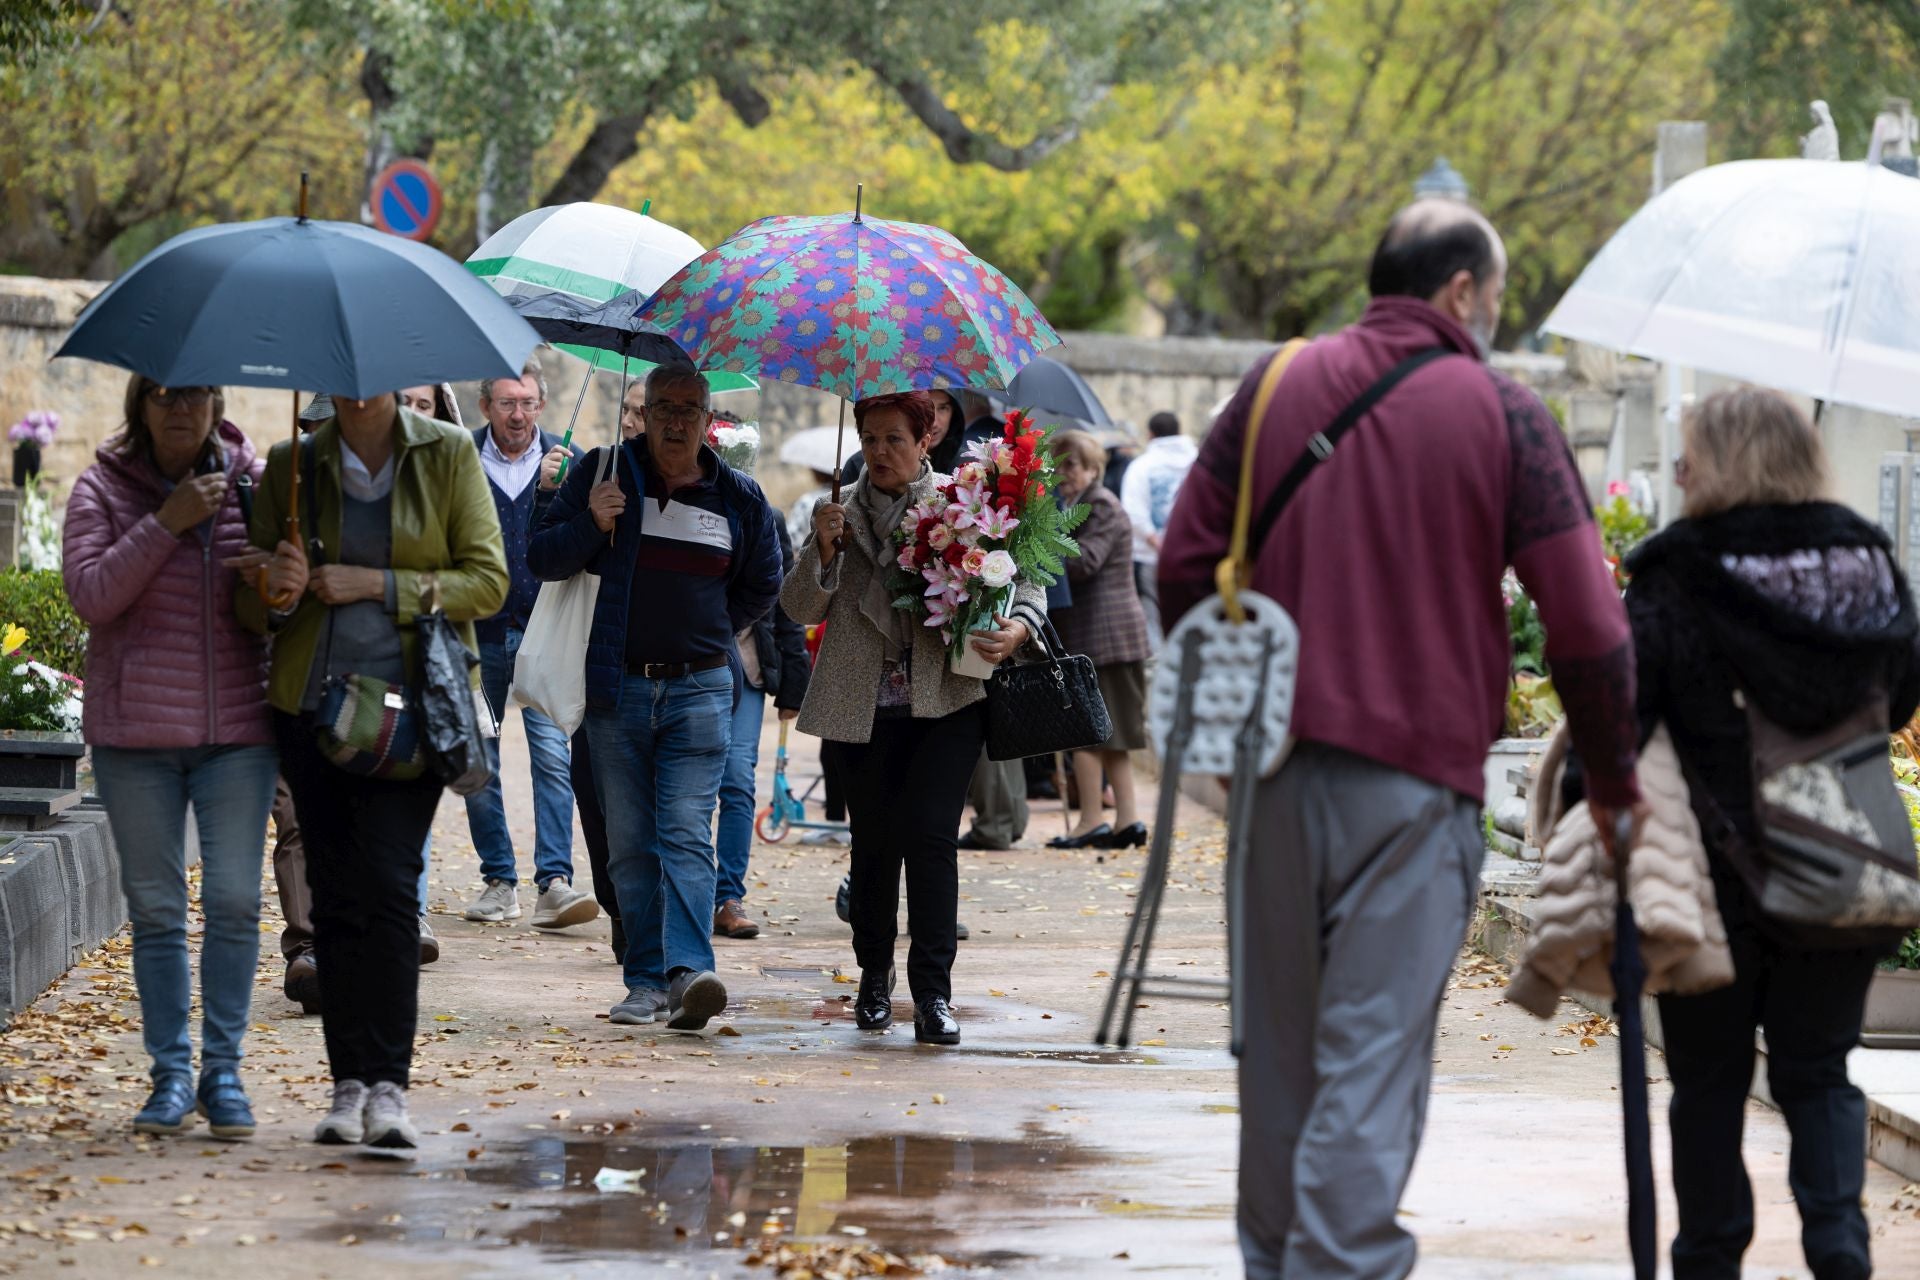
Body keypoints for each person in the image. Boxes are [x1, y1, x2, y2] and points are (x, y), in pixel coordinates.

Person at [1158, 199, 1643, 1279]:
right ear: (1462, 290)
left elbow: (1184, 566)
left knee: (1278, 1062)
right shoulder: (1504, 411)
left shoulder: (1275, 382)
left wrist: (1250, 696)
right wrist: (1611, 778)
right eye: (1495, 302)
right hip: (1416, 789)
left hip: (1274, 782)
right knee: (1369, 1065)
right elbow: (1589, 625)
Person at [1620, 388, 1919, 1280]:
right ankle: (1839, 1251)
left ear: (1723, 463)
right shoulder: (1867, 559)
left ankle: (1710, 1262)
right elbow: (1900, 694)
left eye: (1687, 457)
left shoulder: (1676, 570)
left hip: (1713, 873)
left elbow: (1625, 706)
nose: (1678, 473)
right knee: (1819, 1071)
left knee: (1708, 1085)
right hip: (1841, 861)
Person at [236, 390, 507, 1150]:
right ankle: (345, 1084)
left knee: (389, 891)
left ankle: (388, 1090)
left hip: (412, 716)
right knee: (336, 900)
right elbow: (254, 610)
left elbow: (488, 582)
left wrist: (378, 585)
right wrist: (274, 587)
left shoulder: (446, 454)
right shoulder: (293, 466)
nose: (362, 386)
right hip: (312, 715)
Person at [782, 391, 1045, 1046]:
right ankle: (874, 975)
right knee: (874, 847)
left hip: (946, 699)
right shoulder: (834, 512)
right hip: (859, 706)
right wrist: (822, 547)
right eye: (869, 438)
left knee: (931, 840)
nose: (878, 452)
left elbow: (1027, 576)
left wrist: (1019, 628)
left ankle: (933, 994)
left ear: (925, 440)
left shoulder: (962, 503)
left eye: (894, 439)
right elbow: (798, 608)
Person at [529, 363, 781, 1031]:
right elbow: (542, 558)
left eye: (689, 409)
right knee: (631, 844)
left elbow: (762, 584)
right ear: (641, 409)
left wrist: (709, 632)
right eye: (662, 405)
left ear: (707, 420)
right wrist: (590, 521)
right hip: (618, 690)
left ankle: (688, 973)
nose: (675, 420)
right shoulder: (605, 473)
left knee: (685, 834)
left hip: (701, 687)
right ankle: (643, 980)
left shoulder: (740, 497)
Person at [64, 378, 278, 1140]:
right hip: (135, 739)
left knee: (232, 903)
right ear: (139, 406)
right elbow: (90, 595)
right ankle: (169, 1074)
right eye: (161, 394)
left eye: (194, 393)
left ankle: (222, 1072)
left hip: (237, 734)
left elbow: (283, 604)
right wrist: (164, 523)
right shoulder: (101, 487)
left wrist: (275, 579)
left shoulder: (256, 483)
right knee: (156, 913)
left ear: (217, 403)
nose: (178, 408)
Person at [460, 357, 594, 930]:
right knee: (479, 760)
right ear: (486, 405)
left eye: (529, 403)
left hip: (545, 635)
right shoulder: (459, 458)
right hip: (480, 635)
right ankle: (498, 881)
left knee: (552, 756)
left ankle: (555, 883)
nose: (519, 414)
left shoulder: (571, 461)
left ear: (542, 406)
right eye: (508, 403)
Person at [1048, 429, 1153, 850]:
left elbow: (1086, 561)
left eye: (1072, 464)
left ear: (1093, 468)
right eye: (1057, 464)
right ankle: (1126, 821)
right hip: (1097, 637)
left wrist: (1045, 539)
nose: (1062, 473)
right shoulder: (1079, 504)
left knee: (1092, 731)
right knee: (1105, 735)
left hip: (1108, 638)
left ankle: (1093, 820)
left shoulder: (1101, 506)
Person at [716, 513, 811, 940]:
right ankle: (681, 894)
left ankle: (726, 897)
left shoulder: (764, 518)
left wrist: (793, 682)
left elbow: (786, 606)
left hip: (748, 674)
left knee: (737, 782)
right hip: (683, 665)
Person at [1119, 410, 1195, 644]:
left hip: (1150, 556)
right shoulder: (1198, 460)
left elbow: (1134, 513)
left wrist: (1159, 544)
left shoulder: (1141, 466)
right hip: (1191, 553)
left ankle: (1160, 663)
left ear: (1151, 434)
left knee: (1153, 614)